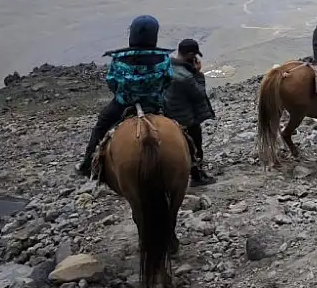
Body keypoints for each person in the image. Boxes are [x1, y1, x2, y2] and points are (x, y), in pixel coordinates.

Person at [76, 15, 173, 177]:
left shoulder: (119, 59)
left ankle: (87, 165)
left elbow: (112, 81)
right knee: (179, 124)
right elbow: (168, 79)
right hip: (155, 103)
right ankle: (193, 164)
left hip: (123, 103)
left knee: (102, 124)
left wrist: (123, 93)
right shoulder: (163, 57)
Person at [164, 39, 217, 186]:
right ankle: (197, 176)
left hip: (170, 115)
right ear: (191, 55)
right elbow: (199, 94)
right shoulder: (186, 77)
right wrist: (198, 73)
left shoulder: (167, 66)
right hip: (187, 119)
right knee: (194, 147)